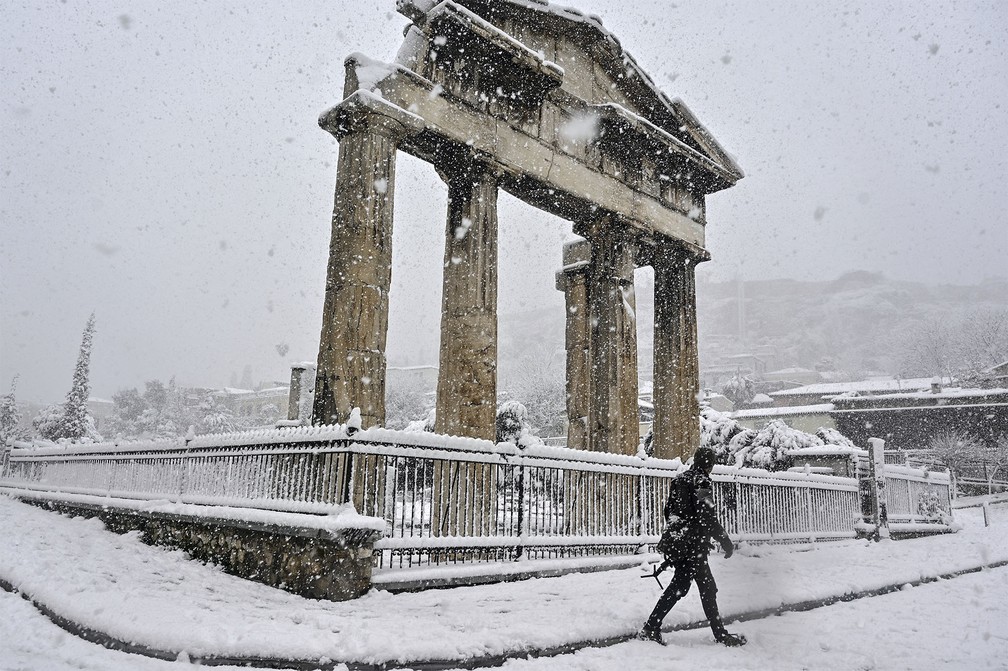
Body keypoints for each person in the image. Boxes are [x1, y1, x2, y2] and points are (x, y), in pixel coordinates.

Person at [639, 445, 747, 647]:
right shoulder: (701, 481)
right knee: (699, 588)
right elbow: (707, 516)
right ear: (709, 464)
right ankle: (653, 627)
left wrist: (678, 530)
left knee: (693, 587)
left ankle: (653, 627)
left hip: (679, 543)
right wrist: (724, 538)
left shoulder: (679, 479)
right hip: (693, 547)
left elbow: (668, 511)